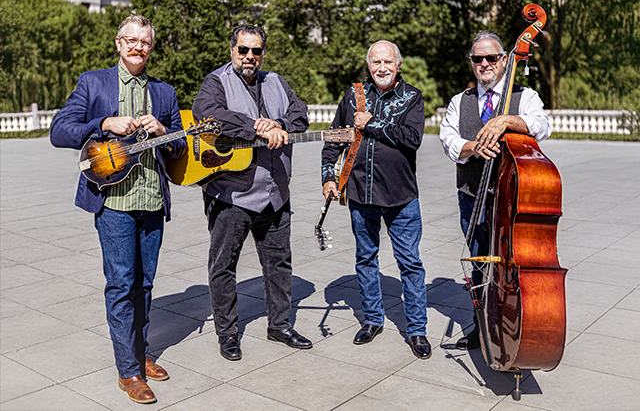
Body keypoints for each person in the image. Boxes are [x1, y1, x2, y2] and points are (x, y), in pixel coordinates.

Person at [49, 14, 187, 403]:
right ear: (118, 42)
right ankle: (128, 372)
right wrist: (105, 121)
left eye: (144, 41)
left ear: (152, 47)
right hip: (113, 203)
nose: (137, 47)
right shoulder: (94, 82)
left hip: (152, 201)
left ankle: (140, 357)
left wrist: (164, 133)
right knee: (122, 284)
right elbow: (59, 130)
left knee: (145, 284)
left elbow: (180, 150)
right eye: (131, 40)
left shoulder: (164, 93)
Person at [192, 25, 312, 361]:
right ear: (232, 50)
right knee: (223, 264)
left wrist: (280, 125)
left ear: (263, 53)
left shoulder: (276, 80)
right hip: (232, 194)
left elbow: (299, 114)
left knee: (278, 262)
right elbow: (208, 115)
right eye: (243, 50)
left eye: (256, 51)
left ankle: (279, 325)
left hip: (276, 192)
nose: (250, 57)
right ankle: (228, 333)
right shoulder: (215, 82)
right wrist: (255, 125)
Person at [439, 31, 550, 350]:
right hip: (471, 197)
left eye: (491, 57)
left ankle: (518, 325)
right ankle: (482, 325)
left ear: (504, 60)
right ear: (471, 63)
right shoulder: (460, 101)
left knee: (514, 264)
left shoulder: (524, 96)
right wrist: (472, 146)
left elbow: (542, 125)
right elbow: (448, 139)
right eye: (477, 59)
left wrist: (506, 121)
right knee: (479, 263)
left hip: (513, 199)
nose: (484, 63)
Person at [321, 40, 431, 359]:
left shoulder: (412, 98)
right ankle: (372, 319)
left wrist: (372, 124)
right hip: (360, 193)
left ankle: (417, 329)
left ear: (398, 65)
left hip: (401, 196)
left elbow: (412, 139)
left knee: (410, 263)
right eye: (375, 62)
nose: (381, 68)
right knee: (365, 258)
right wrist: (329, 176)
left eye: (387, 62)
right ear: (369, 65)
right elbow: (333, 140)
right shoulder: (353, 96)